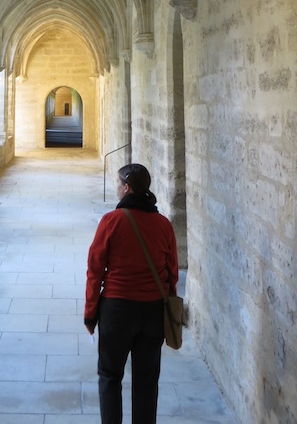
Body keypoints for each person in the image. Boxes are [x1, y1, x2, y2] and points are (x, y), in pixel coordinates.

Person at [84, 163, 179, 424]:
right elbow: (172, 273)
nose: (116, 187)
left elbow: (95, 270)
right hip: (152, 312)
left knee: (110, 376)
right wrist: (166, 306)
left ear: (126, 188)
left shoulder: (111, 221)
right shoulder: (163, 225)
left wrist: (90, 314)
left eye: (117, 183)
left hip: (117, 311)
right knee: (147, 381)